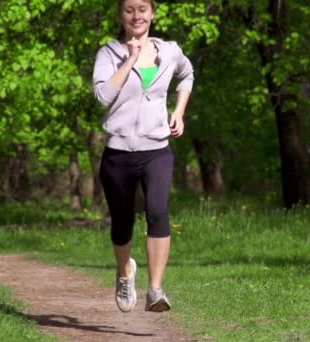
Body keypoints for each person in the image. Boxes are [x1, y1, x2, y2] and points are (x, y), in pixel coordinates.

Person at [92, 0, 194, 313]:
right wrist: (131, 59)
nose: (136, 15)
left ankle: (156, 289)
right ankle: (125, 273)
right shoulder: (108, 53)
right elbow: (102, 97)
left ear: (152, 13)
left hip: (156, 149)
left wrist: (178, 111)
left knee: (158, 211)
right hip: (118, 153)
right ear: (120, 15)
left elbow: (187, 74)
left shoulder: (170, 50)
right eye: (129, 9)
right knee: (122, 225)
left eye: (142, 9)